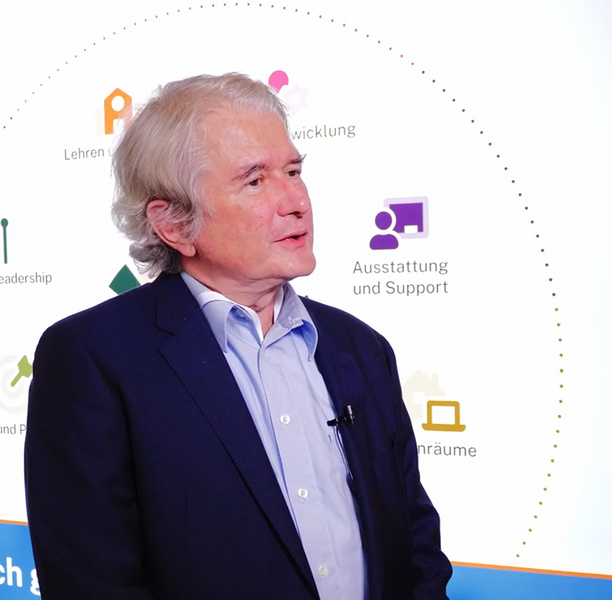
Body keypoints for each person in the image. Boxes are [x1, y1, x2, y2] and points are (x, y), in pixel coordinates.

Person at [24, 73, 452, 600]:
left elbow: (414, 546)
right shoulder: (94, 360)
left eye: (293, 171)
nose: (295, 200)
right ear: (174, 224)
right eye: (254, 181)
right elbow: (93, 584)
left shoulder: (361, 349)